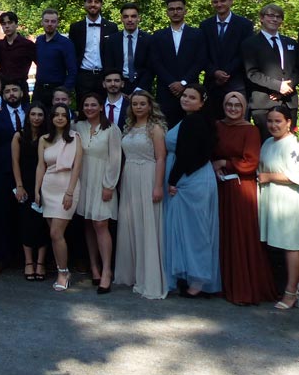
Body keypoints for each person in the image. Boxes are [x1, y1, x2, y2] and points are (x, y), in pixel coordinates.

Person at [213, 91, 275, 305]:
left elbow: (250, 162)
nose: (233, 109)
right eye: (229, 105)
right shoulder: (217, 126)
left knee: (240, 235)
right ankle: (223, 284)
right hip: (220, 186)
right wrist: (215, 165)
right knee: (222, 234)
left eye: (237, 105)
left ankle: (243, 287)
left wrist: (225, 163)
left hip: (241, 189)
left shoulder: (250, 130)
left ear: (244, 107)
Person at [163, 84, 220, 297]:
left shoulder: (193, 121)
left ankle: (198, 282)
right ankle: (191, 278)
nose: (186, 99)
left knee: (195, 231)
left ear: (202, 102)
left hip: (190, 179)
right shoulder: (193, 120)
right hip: (193, 177)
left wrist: (173, 180)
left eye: (192, 97)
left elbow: (187, 155)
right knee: (189, 230)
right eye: (184, 95)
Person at [257, 105, 299, 310]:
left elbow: (296, 177)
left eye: (278, 121)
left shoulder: (293, 145)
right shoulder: (267, 142)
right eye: (270, 121)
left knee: (291, 247)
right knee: (284, 245)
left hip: (292, 201)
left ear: (289, 122)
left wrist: (268, 177)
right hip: (275, 200)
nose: (273, 125)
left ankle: (291, 293)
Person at [114, 91, 168, 299]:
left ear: (150, 106)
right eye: (135, 104)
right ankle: (134, 273)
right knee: (132, 223)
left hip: (148, 175)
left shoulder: (155, 128)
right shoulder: (128, 127)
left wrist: (158, 186)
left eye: (142, 104)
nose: (138, 107)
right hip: (129, 177)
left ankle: (151, 279)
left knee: (147, 224)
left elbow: (161, 158)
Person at [73, 91, 122, 293]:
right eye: (86, 105)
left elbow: (115, 159)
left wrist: (109, 185)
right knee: (88, 222)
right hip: (84, 180)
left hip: (103, 180)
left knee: (101, 224)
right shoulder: (78, 127)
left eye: (93, 104)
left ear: (101, 107)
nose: (89, 108)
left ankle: (107, 270)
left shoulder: (112, 129)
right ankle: (94, 267)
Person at [36, 103, 83, 293]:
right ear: (52, 118)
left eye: (64, 115)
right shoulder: (44, 139)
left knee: (56, 233)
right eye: (56, 115)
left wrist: (70, 192)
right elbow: (41, 166)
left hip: (67, 187)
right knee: (54, 235)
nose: (60, 118)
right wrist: (36, 190)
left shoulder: (75, 137)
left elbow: (77, 166)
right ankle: (61, 269)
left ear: (68, 118)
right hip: (48, 187)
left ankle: (63, 273)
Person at [0, 79, 26, 274]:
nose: (11, 94)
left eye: (14, 90)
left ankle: (28, 258)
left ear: (22, 93)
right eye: (7, 91)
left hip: (29, 172)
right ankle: (2, 258)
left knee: (28, 216)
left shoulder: (32, 112)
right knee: (2, 216)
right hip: (2, 174)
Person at [243, 3, 299, 140]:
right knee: (267, 143)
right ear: (262, 18)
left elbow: (298, 69)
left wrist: (286, 88)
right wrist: (278, 86)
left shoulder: (290, 43)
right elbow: (252, 73)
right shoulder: (249, 44)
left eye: (278, 16)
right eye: (270, 15)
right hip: (264, 102)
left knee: (289, 143)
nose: (274, 19)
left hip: (289, 101)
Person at [151, 0, 206, 128]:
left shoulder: (197, 34)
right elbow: (155, 62)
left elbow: (200, 61)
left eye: (179, 9)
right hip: (166, 91)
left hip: (190, 90)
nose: (175, 12)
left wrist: (183, 83)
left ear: (185, 11)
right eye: (172, 9)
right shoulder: (158, 36)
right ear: (167, 12)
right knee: (164, 128)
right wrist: (171, 82)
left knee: (191, 129)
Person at [200, 0, 255, 118]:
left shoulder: (245, 25)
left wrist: (226, 73)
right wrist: (214, 72)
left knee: (238, 120)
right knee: (212, 122)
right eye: (215, 2)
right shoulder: (205, 25)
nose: (219, 4)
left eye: (223, 1)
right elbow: (201, 53)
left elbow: (245, 53)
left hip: (236, 81)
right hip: (212, 84)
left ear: (231, 1)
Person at [11, 103, 49, 281]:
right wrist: (19, 185)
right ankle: (28, 262)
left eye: (40, 115)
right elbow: (15, 162)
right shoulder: (18, 135)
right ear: (28, 116)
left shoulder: (48, 136)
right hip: (25, 182)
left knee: (43, 223)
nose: (36, 118)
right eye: (33, 114)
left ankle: (40, 262)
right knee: (26, 222)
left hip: (45, 183)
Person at [68, 0, 118, 107]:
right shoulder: (75, 28)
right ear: (85, 4)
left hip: (105, 76)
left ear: (101, 4)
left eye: (96, 2)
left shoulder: (112, 27)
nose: (93, 4)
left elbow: (114, 53)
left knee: (106, 109)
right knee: (84, 109)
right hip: (83, 77)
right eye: (90, 1)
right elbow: (73, 54)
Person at [101, 2, 153, 96]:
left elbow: (150, 68)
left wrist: (139, 90)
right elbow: (108, 66)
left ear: (139, 18)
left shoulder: (148, 40)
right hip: (118, 86)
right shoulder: (112, 40)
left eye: (133, 16)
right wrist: (118, 89)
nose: (130, 20)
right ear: (121, 19)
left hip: (142, 86)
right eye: (126, 17)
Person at [34, 8, 77, 106]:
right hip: (39, 90)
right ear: (42, 22)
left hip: (57, 90)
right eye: (46, 21)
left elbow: (72, 71)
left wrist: (65, 90)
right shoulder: (39, 41)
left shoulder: (66, 43)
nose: (49, 24)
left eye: (53, 21)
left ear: (57, 23)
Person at [0, 10, 36, 97]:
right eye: (4, 24)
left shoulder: (27, 44)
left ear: (16, 24)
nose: (7, 26)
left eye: (10, 23)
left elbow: (40, 63)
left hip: (21, 87)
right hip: (4, 88)